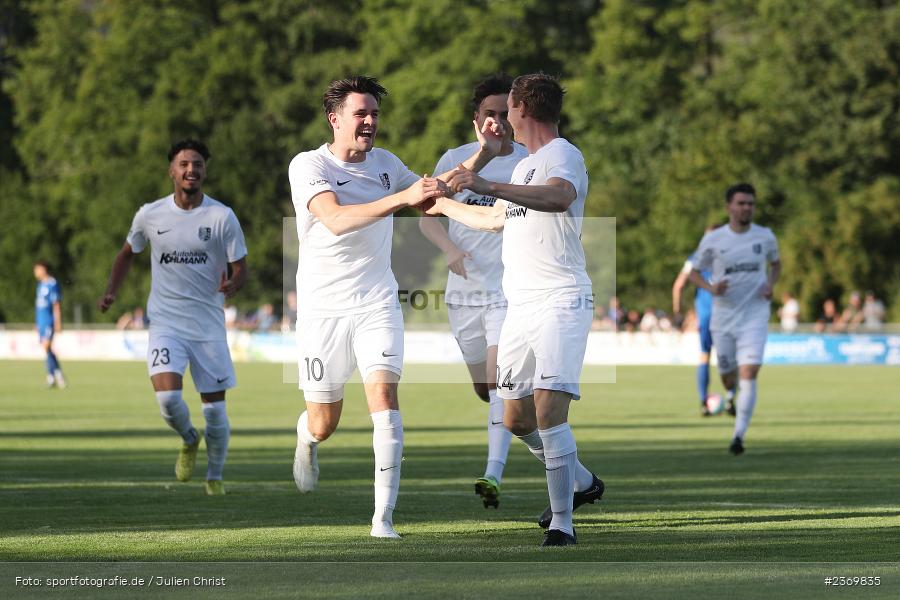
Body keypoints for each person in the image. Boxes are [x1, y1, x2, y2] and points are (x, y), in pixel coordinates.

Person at [287, 75, 496, 539]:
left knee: (384, 400)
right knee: (324, 422)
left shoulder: (386, 163)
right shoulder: (308, 165)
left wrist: (481, 153)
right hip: (322, 312)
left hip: (376, 301)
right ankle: (306, 438)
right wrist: (403, 197)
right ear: (334, 119)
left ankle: (382, 519)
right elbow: (335, 218)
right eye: (360, 113)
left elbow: (433, 192)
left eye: (375, 114)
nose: (370, 122)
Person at [424, 73, 603, 547]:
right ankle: (582, 481)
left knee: (548, 409)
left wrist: (486, 182)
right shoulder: (524, 168)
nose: (505, 118)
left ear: (523, 110)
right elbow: (492, 217)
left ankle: (562, 524)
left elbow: (559, 196)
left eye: (509, 109)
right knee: (516, 419)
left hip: (560, 299)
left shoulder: (562, 154)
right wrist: (443, 205)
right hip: (520, 307)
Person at [97, 139, 248, 496]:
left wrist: (234, 283)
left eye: (197, 164)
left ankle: (214, 477)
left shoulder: (222, 216)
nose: (190, 169)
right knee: (167, 400)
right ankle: (188, 437)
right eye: (184, 164)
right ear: (171, 171)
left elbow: (241, 266)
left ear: (205, 171)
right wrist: (112, 291)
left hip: (208, 328)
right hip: (166, 324)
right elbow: (127, 253)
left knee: (215, 411)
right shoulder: (150, 214)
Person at [418, 74, 528, 509]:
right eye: (489, 114)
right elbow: (427, 214)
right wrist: (450, 250)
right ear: (476, 120)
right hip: (464, 293)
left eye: (504, 113)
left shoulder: (529, 163)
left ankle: (492, 473)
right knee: (485, 388)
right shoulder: (456, 159)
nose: (497, 121)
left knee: (499, 382)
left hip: (509, 291)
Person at [688, 182, 781, 455]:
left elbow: (776, 264)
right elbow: (693, 273)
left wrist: (771, 284)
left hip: (755, 315)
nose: (746, 208)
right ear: (729, 206)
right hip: (723, 318)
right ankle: (731, 392)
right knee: (728, 378)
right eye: (741, 203)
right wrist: (711, 288)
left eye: (750, 203)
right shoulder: (714, 239)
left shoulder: (765, 236)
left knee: (749, 372)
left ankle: (738, 436)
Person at [672, 237, 724, 416]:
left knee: (704, 355)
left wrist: (678, 313)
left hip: (705, 313)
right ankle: (732, 399)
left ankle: (703, 402)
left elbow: (678, 286)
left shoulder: (695, 257)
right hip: (727, 313)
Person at [33, 260, 66, 389]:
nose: (35, 272)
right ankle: (55, 375)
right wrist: (37, 323)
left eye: (37, 269)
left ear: (43, 269)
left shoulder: (52, 284)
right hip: (41, 322)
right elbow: (39, 306)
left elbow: (56, 304)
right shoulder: (40, 285)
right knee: (47, 350)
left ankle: (54, 376)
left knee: (47, 347)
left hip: (49, 321)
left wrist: (58, 322)